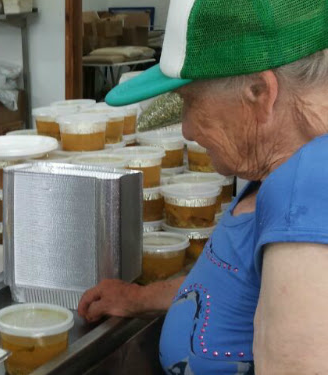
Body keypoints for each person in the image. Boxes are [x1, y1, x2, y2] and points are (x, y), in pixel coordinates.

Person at [77, 1, 328, 374]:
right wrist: (140, 298)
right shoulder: (281, 173)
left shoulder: (304, 190)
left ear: (259, 92)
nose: (187, 129)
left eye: (190, 101)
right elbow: (230, 288)